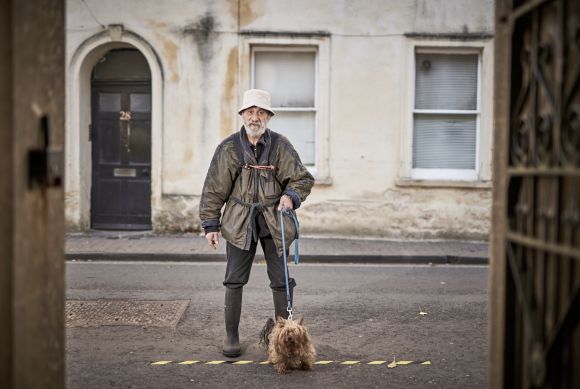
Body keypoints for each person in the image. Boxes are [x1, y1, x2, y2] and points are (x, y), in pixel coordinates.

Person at [199, 89, 315, 357]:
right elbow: (214, 189)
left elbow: (303, 179)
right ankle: (232, 336)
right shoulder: (228, 148)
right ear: (242, 115)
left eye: (260, 112)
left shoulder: (280, 145)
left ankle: (282, 337)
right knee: (234, 280)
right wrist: (211, 225)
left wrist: (290, 196)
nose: (255, 117)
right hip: (239, 223)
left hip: (275, 223)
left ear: (268, 117)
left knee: (280, 281)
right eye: (250, 111)